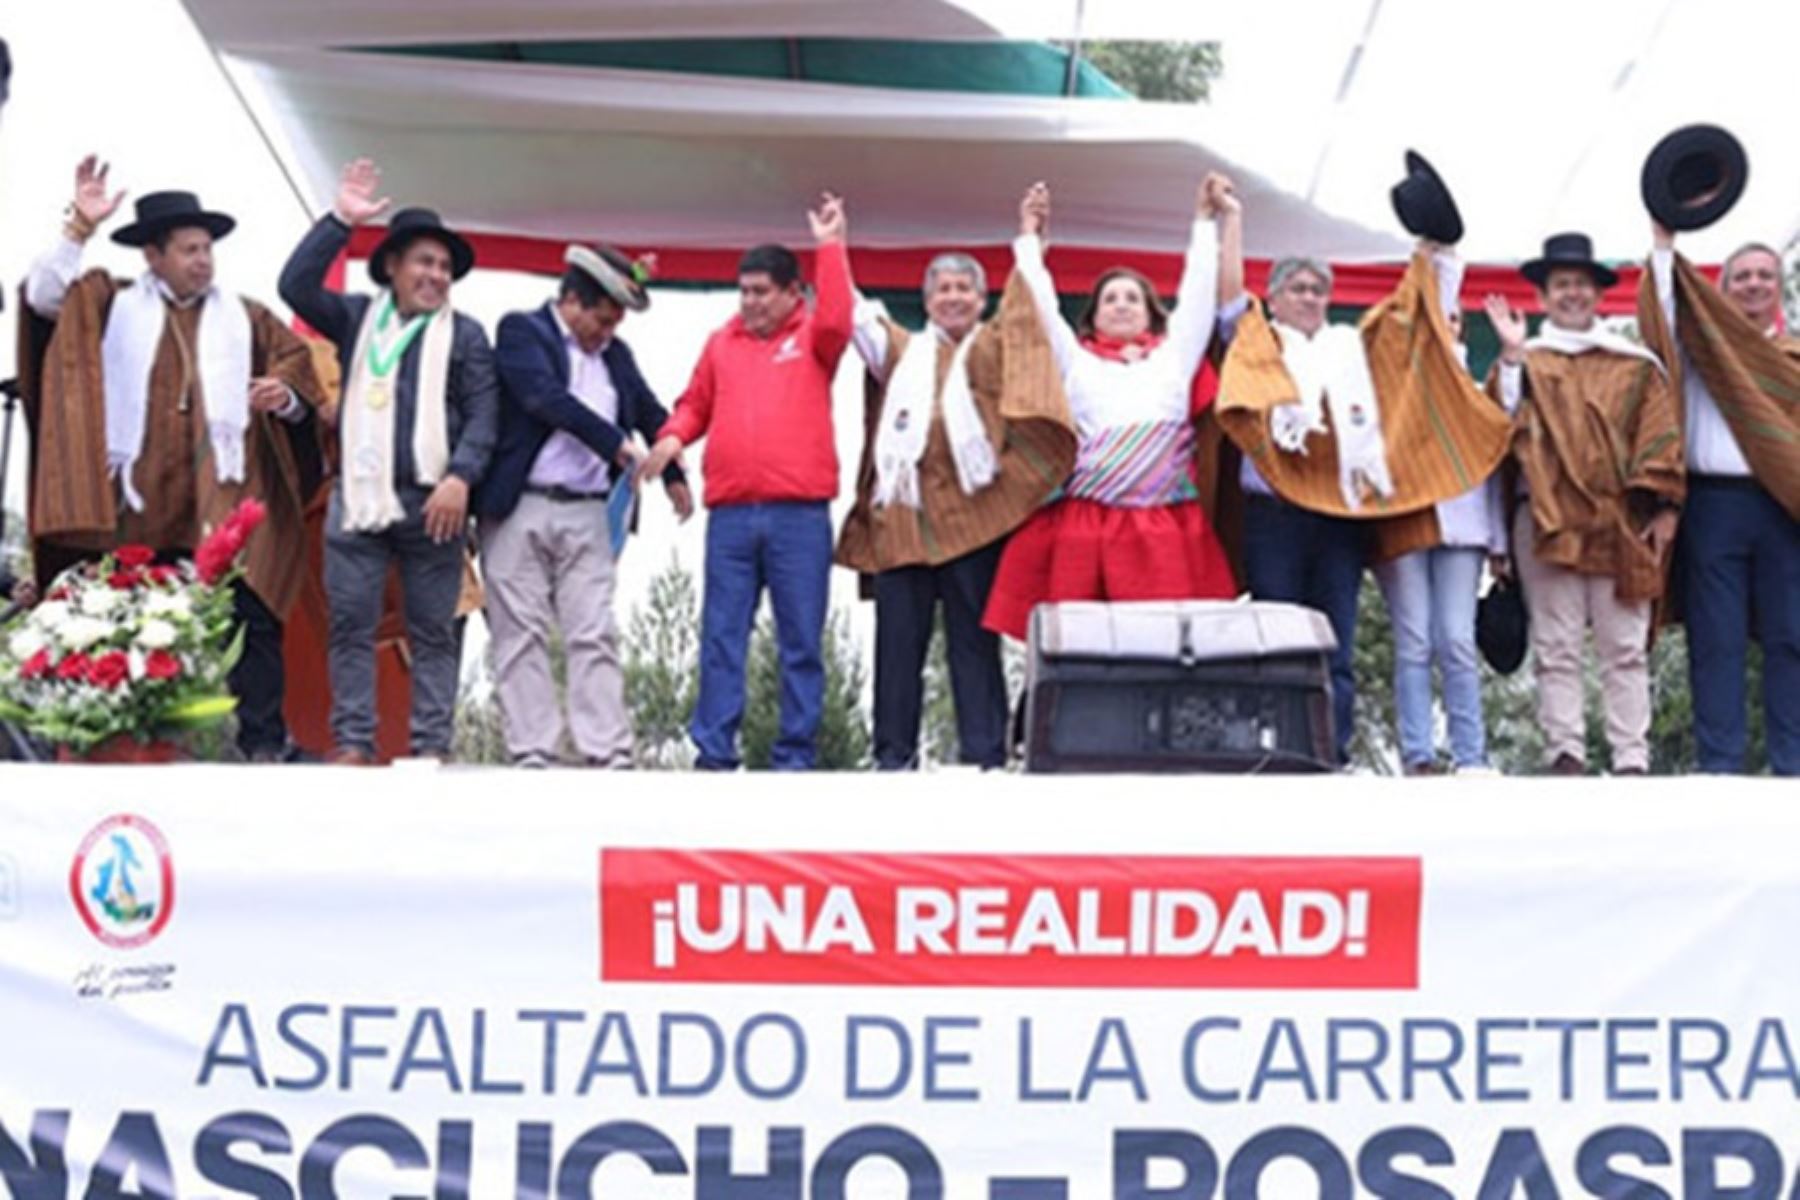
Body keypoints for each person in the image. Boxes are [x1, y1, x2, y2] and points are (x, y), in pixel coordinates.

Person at [21, 157, 324, 762]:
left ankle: (264, 745)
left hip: (221, 504)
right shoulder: (110, 304)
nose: (203, 260)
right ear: (153, 256)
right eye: (189, 249)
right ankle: (120, 743)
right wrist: (79, 226)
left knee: (252, 617)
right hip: (134, 509)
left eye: (207, 248)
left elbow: (298, 371)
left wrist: (284, 397)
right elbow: (43, 297)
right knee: (124, 624)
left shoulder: (247, 319)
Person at [1215, 215, 1511, 767]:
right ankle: (1274, 754)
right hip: (1273, 513)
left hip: (1337, 517)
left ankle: (1333, 752)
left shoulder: (1351, 348)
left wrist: (1431, 255)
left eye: (1318, 289)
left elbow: (1408, 324)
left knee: (1336, 643)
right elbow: (1229, 301)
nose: (1309, 297)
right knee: (1275, 636)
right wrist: (1231, 221)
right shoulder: (1260, 341)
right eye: (1297, 288)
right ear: (1273, 298)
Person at [279, 158, 498, 765]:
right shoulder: (354, 319)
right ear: (394, 268)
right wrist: (338, 222)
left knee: (432, 634)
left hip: (436, 508)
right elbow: (294, 287)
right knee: (349, 627)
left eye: (444, 266)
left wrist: (461, 477)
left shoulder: (469, 335)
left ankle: (430, 747)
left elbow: (484, 415)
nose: (435, 274)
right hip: (359, 503)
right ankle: (352, 741)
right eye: (424, 262)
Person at [637, 194, 854, 770]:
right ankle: (713, 752)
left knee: (801, 641)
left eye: (763, 292)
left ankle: (795, 754)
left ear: (792, 294)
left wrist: (831, 246)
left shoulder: (814, 338)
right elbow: (694, 405)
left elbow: (838, 317)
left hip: (799, 515)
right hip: (731, 516)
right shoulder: (720, 343)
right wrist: (673, 438)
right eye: (745, 291)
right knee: (721, 637)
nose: (751, 302)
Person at [839, 245, 1074, 770]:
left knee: (974, 647)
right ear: (925, 301)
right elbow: (851, 316)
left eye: (963, 288)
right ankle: (892, 758)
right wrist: (835, 243)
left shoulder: (993, 347)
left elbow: (1030, 312)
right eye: (942, 289)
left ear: (980, 298)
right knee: (898, 650)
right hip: (902, 525)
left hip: (974, 522)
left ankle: (987, 757)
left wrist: (1031, 242)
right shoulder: (900, 349)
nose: (952, 297)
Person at [980, 177, 1237, 643]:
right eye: (1110, 299)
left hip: (1164, 524)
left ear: (1152, 313)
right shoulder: (1076, 361)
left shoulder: (1173, 358)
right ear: (1093, 316)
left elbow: (1199, 294)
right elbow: (1041, 305)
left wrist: (1204, 220)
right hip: (1088, 524)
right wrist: (1030, 240)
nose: (1121, 306)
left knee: (1167, 645)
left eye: (1132, 298)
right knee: (1083, 646)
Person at [474, 243, 694, 768]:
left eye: (616, 322)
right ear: (571, 301)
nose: (607, 332)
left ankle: (607, 749)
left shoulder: (616, 357)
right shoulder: (521, 332)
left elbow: (647, 408)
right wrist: (614, 443)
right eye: (601, 318)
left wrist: (674, 474)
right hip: (519, 504)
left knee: (592, 628)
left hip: (590, 511)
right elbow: (543, 398)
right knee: (519, 631)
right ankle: (533, 749)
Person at [1486, 232, 1682, 775]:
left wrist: (1665, 507)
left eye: (1581, 285)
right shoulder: (1529, 359)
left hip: (1623, 521)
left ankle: (1631, 758)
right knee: (1556, 643)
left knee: (1625, 645)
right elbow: (1497, 428)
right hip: (1547, 520)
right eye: (1561, 285)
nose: (1571, 294)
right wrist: (1509, 355)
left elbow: (1660, 435)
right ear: (1545, 297)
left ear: (1598, 295)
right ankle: (1565, 752)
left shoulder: (1635, 364)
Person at [1639, 224, 1800, 775]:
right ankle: (1721, 766)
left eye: (1765, 276)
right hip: (1713, 506)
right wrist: (1664, 244)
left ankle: (1794, 765)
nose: (1754, 285)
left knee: (1792, 636)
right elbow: (1661, 308)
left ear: (1779, 288)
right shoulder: (1699, 347)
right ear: (1720, 289)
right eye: (1743, 277)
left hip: (1785, 507)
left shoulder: (1793, 357)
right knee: (1716, 638)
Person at [1369, 305, 1508, 774]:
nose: (1443, 325)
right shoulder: (1395, 390)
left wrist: (1500, 542)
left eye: (1452, 318)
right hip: (1406, 523)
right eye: (1434, 316)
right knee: (1413, 640)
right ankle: (1418, 754)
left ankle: (1471, 755)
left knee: (1456, 639)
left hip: (1464, 529)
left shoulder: (1473, 392)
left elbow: (1493, 469)